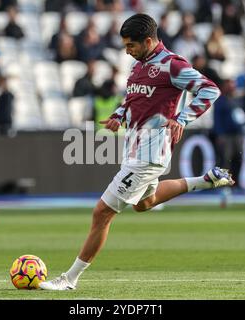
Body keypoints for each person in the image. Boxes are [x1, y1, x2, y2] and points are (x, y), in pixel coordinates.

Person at [39, 13, 234, 291]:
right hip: (135, 146)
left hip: (150, 151)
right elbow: (132, 98)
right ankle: (207, 180)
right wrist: (119, 114)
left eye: (131, 45)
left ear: (149, 40)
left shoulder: (172, 65)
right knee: (145, 203)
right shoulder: (138, 65)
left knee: (102, 213)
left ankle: (69, 279)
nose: (127, 50)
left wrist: (181, 119)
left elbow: (209, 89)